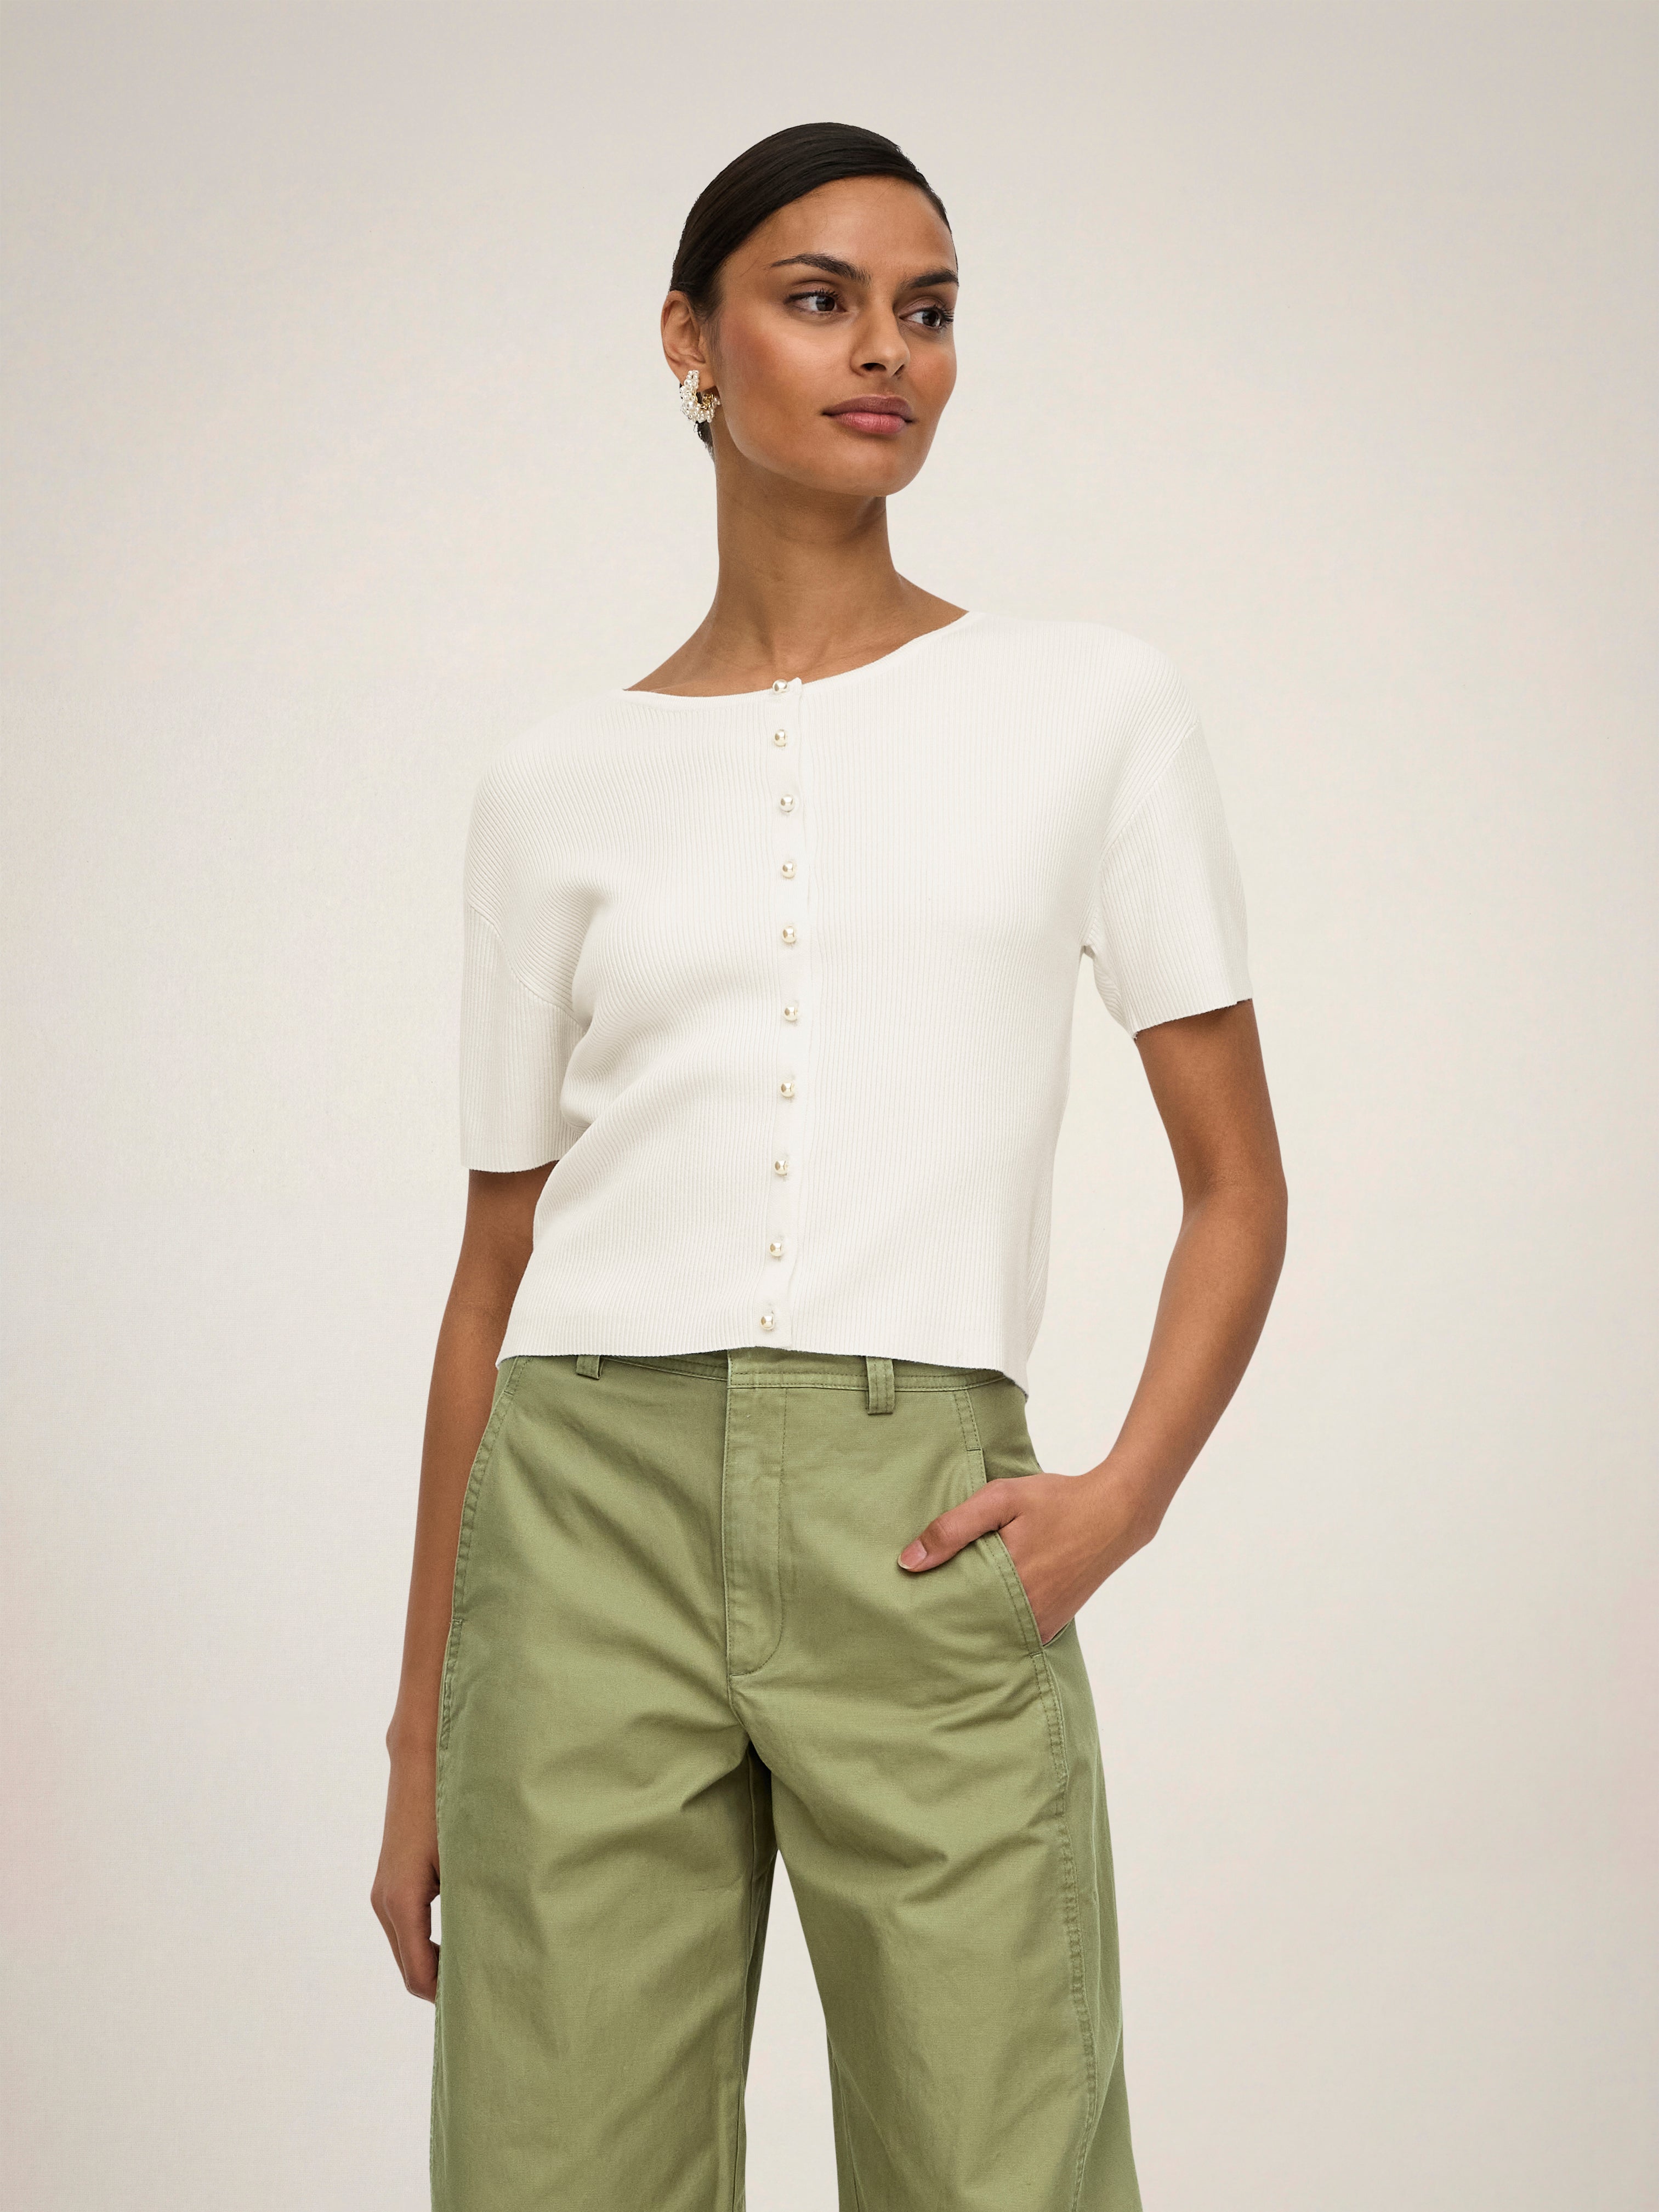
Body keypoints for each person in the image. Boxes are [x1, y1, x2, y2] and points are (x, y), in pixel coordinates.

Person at [371, 120, 1287, 2212]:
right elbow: (492, 1270)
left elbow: (1237, 1183)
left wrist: (1120, 1500)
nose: (888, 350)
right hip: (578, 1519)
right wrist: (424, 1729)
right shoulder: (551, 784)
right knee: (549, 2176)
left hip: (920, 1519)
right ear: (688, 342)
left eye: (927, 309)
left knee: (1000, 2165)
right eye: (820, 300)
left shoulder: (1091, 706)